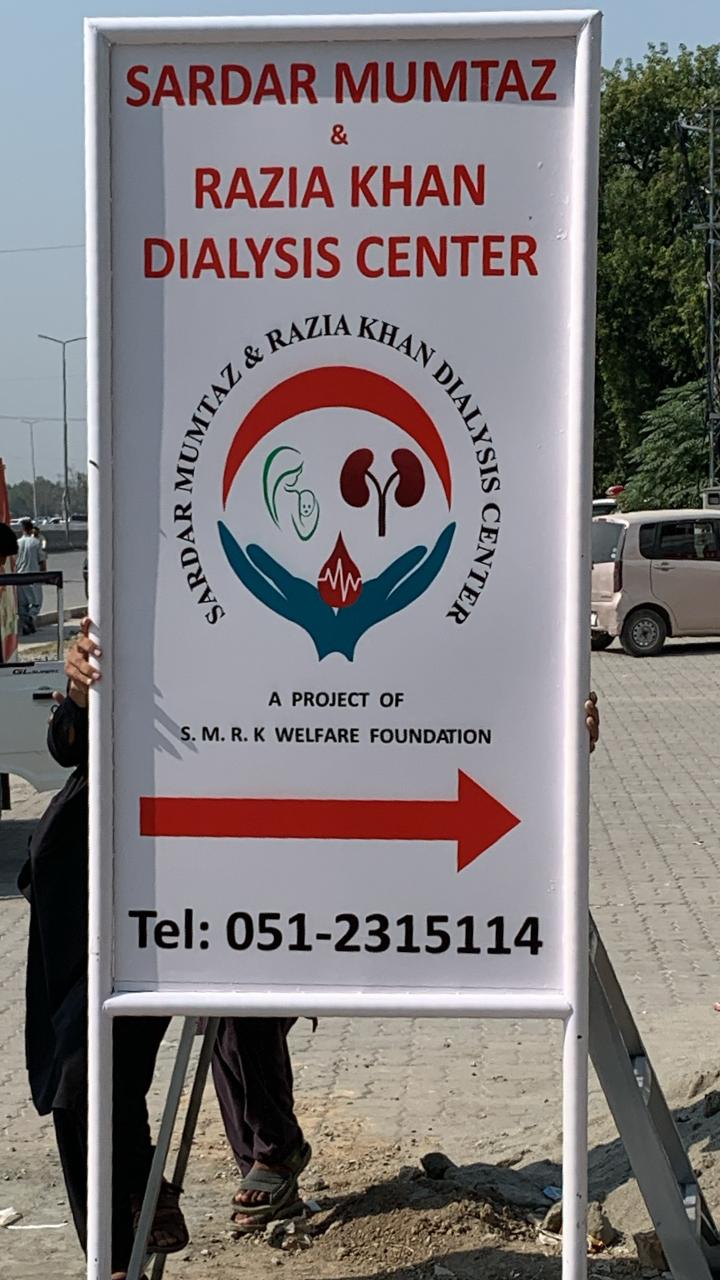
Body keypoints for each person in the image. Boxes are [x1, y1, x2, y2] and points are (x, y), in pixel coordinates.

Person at [19, 619, 188, 1279]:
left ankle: (121, 1241)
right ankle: (128, 1226)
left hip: (173, 893)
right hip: (81, 899)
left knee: (94, 1071)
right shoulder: (121, 613)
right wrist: (78, 688)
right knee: (87, 1075)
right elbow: (67, 748)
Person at [15, 518, 45, 635]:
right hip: (33, 576)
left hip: (19, 577)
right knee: (36, 602)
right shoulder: (36, 542)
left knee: (22, 603)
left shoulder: (17, 543)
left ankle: (25, 624)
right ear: (31, 528)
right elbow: (42, 560)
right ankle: (30, 619)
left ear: (22, 529)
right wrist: (44, 575)